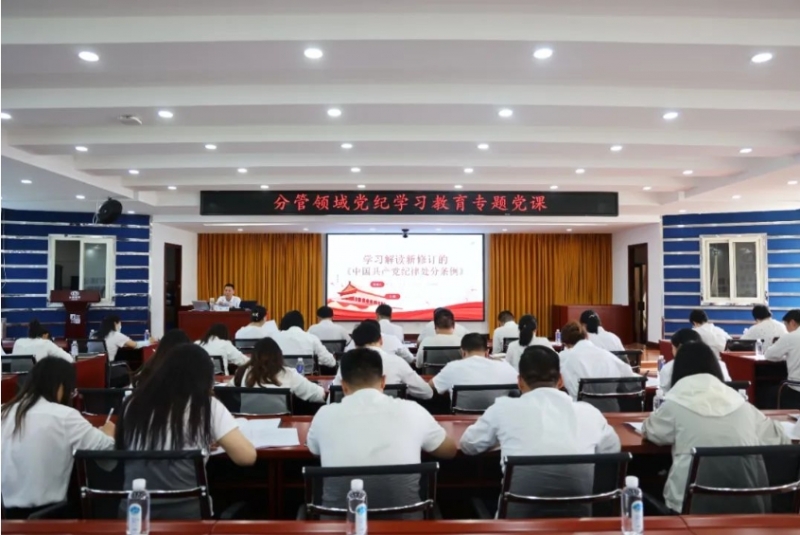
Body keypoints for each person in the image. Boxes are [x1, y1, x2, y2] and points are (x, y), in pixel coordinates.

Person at [460, 346, 620, 518]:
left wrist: (502, 439)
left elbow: (468, 445)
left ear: (520, 382)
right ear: (560, 380)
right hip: (577, 524)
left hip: (516, 527)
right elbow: (613, 450)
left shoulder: (502, 408)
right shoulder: (589, 412)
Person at [642, 342, 789, 514]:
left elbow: (651, 431)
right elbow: (779, 437)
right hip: (746, 503)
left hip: (690, 507)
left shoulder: (675, 404)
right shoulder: (740, 404)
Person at [308, 348, 457, 512]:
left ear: (343, 386)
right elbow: (449, 451)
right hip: (407, 522)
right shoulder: (413, 410)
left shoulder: (324, 415)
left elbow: (315, 452)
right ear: (383, 381)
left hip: (340, 522)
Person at [116, 344, 256, 517]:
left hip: (134, 516)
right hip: (190, 518)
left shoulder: (132, 403)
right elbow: (247, 457)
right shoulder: (205, 405)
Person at [1, 357, 115, 518]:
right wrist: (109, 432)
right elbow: (106, 450)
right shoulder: (64, 416)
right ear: (61, 387)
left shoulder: (4, 411)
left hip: (5, 517)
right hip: (49, 516)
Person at [333, 320, 433, 400]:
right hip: (391, 416)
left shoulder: (346, 364)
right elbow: (427, 392)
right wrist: (403, 390)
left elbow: (333, 397)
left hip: (352, 417)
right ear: (381, 340)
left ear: (355, 344)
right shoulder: (397, 362)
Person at [558, 322, 639, 404]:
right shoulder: (607, 355)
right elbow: (629, 375)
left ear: (566, 344)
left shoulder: (567, 360)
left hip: (582, 408)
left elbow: (570, 391)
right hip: (612, 408)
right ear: (586, 336)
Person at [230, 337, 325, 403]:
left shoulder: (242, 372)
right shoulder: (289, 374)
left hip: (248, 424)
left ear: (254, 356)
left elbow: (226, 392)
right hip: (282, 424)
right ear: (279, 356)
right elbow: (320, 395)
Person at [430, 333, 518, 398]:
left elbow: (430, 386)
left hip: (461, 417)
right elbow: (521, 385)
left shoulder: (452, 367)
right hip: (497, 417)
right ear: (487, 352)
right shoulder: (504, 366)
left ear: (462, 352)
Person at [660, 329, 730, 393]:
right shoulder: (720, 365)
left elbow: (664, 394)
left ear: (679, 347)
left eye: (672, 348)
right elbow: (728, 387)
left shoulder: (669, 368)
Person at [272, 311, 337, 368]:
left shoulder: (275, 338)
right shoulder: (312, 338)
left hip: (282, 377)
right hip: (307, 376)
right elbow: (331, 362)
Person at [764, 309, 800, 408]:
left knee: (768, 393)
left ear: (792, 322)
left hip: (796, 389)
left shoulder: (791, 337)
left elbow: (769, 355)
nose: (786, 329)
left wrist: (786, 355)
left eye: (786, 325)